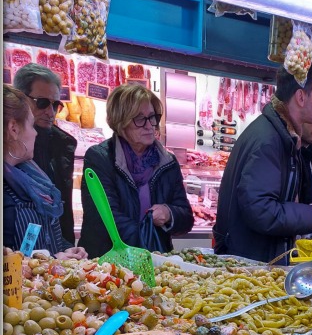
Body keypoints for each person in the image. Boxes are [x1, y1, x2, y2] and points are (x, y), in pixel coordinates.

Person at [213, 62, 312, 262]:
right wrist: (308, 216)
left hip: (255, 258)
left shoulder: (279, 134)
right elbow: (260, 210)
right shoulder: (269, 140)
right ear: (300, 97)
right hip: (250, 262)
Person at [79, 83, 194, 258]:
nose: (150, 126)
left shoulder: (168, 162)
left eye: (152, 117)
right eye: (139, 119)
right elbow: (107, 217)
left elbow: (186, 218)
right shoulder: (100, 158)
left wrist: (169, 213)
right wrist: (147, 249)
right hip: (107, 261)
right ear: (121, 122)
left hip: (154, 263)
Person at [3, 85, 87, 260]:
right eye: (31, 125)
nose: (35, 133)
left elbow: (46, 235)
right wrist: (53, 261)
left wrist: (65, 250)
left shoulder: (31, 175)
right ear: (13, 129)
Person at [13, 63, 77, 245]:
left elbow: (62, 213)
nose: (50, 112)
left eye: (56, 105)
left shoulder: (63, 145)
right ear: (20, 99)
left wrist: (66, 246)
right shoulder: (10, 146)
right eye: (42, 103)